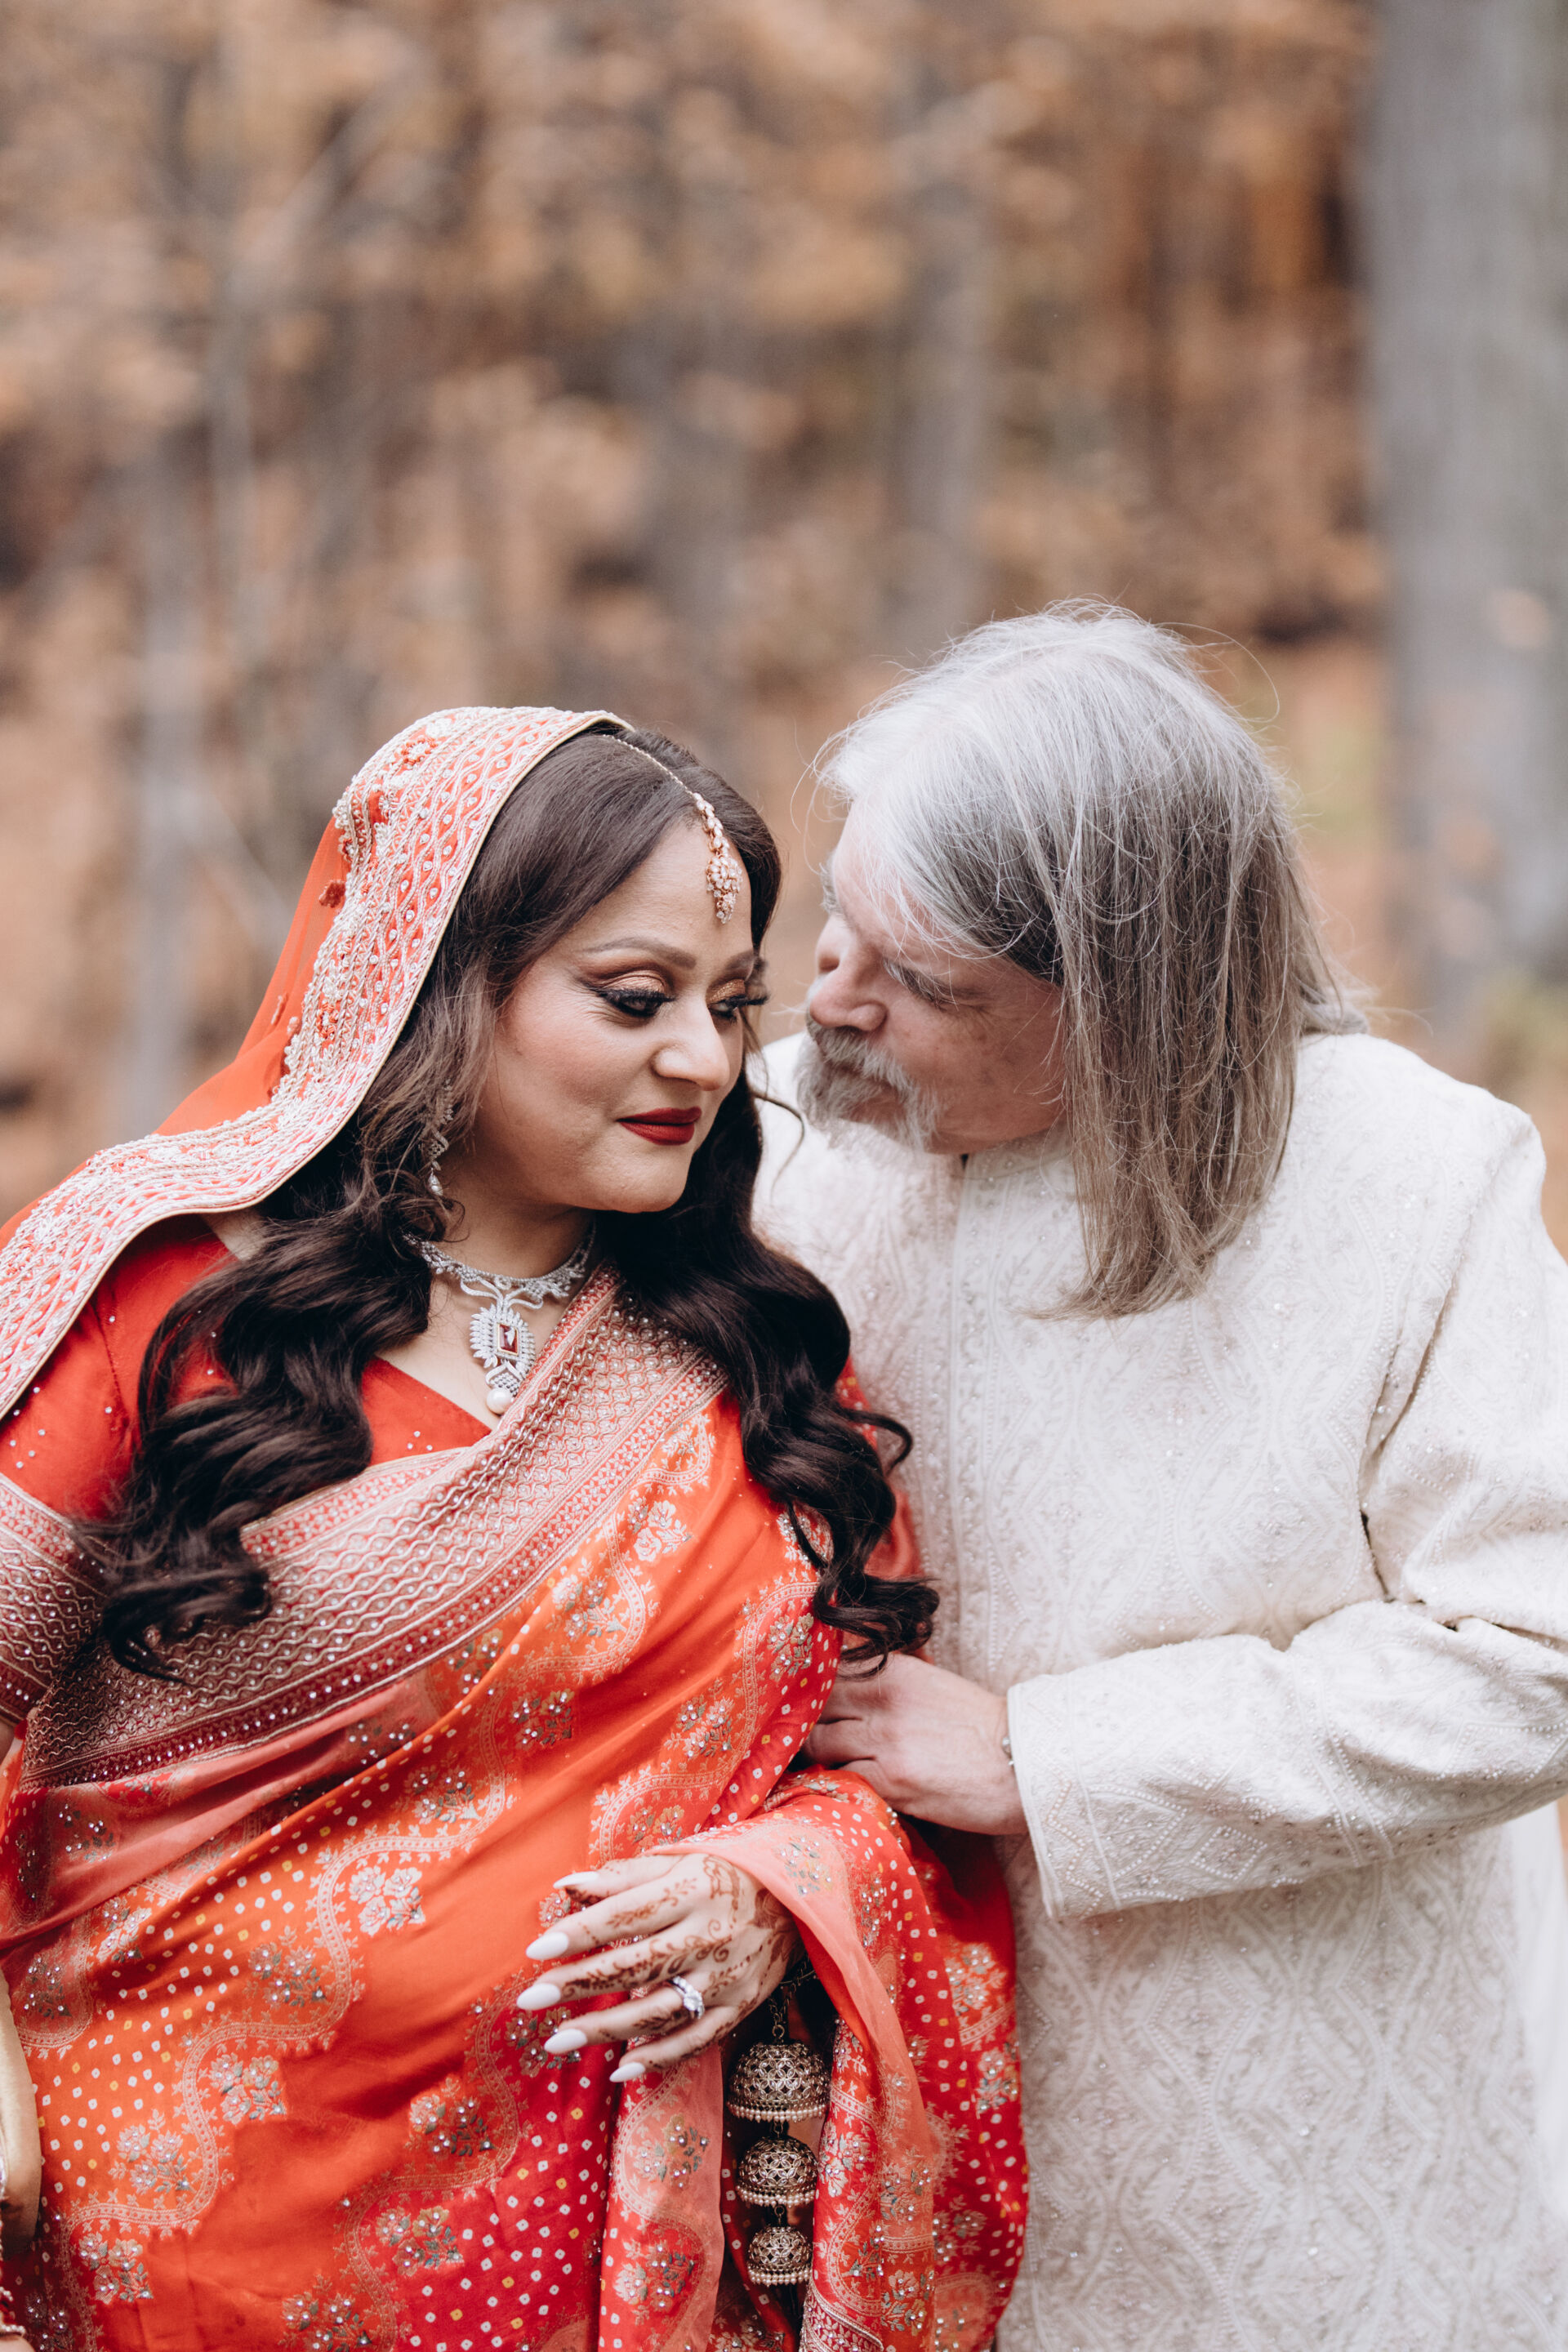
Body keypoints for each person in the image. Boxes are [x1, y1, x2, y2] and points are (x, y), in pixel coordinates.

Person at [0, 707, 1025, 2350]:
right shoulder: (173, 1296)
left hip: (598, 2233)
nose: (702, 1060)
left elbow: (868, 1754)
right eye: (633, 997)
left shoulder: (753, 1354)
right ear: (432, 981)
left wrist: (776, 1886)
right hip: (172, 2222)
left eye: (728, 1004)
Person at [757, 604, 1568, 2352]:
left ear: (1131, 998)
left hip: (1300, 2156)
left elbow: (1533, 1653)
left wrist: (1052, 1759)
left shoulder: (1414, 1181)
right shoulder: (770, 1149)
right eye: (838, 920)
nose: (829, 1001)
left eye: (927, 984)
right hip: (873, 2141)